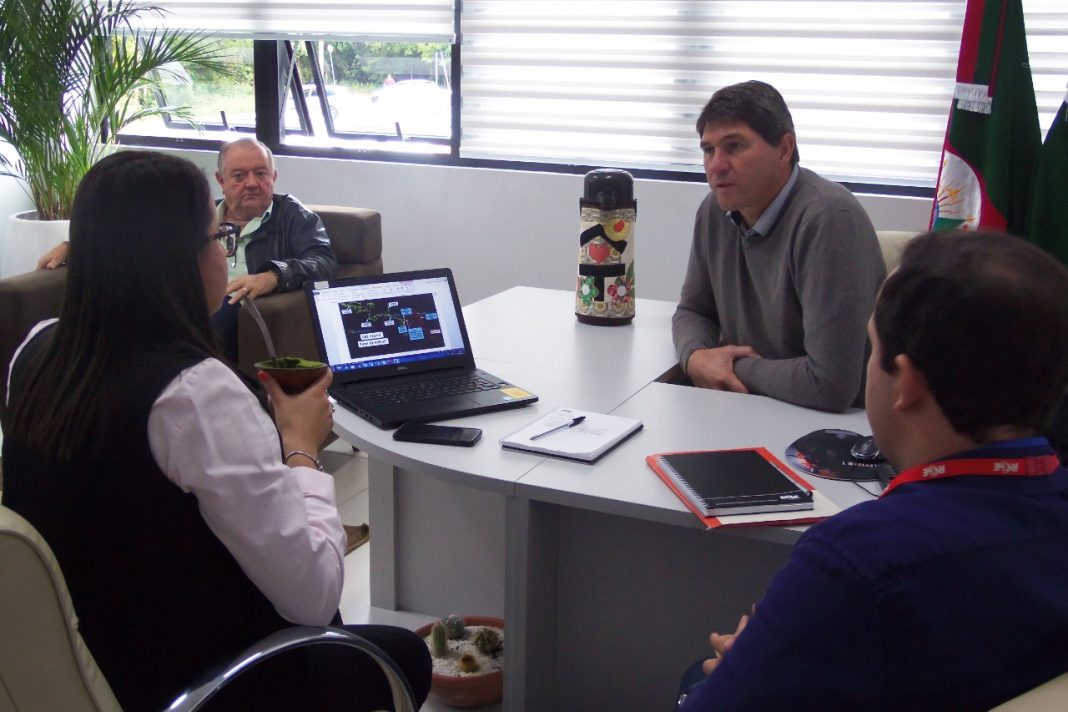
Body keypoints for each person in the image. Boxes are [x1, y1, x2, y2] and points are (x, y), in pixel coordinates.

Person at [2, 151, 429, 711]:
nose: (223, 254)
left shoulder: (35, 348)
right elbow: (314, 594)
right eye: (217, 238)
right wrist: (300, 448)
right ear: (174, 261)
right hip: (202, 680)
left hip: (88, 661)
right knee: (405, 654)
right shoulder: (194, 394)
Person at [675, 230, 1068, 710]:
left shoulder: (853, 561)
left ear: (907, 383)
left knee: (696, 679)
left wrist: (753, 661)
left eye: (872, 348)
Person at [672, 81, 885, 412]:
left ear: (784, 149)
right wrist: (696, 356)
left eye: (734, 146)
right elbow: (693, 311)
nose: (716, 165)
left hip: (831, 423)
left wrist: (730, 365)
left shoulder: (828, 219)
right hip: (752, 407)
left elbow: (830, 384)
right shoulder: (715, 210)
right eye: (709, 150)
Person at [37, 137, 338, 361]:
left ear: (274, 177)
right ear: (221, 181)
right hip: (182, 302)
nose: (251, 183)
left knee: (222, 313)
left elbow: (323, 260)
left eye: (261, 174)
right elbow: (140, 239)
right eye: (239, 176)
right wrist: (76, 246)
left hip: (237, 308)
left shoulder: (294, 217)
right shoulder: (198, 215)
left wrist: (274, 275)